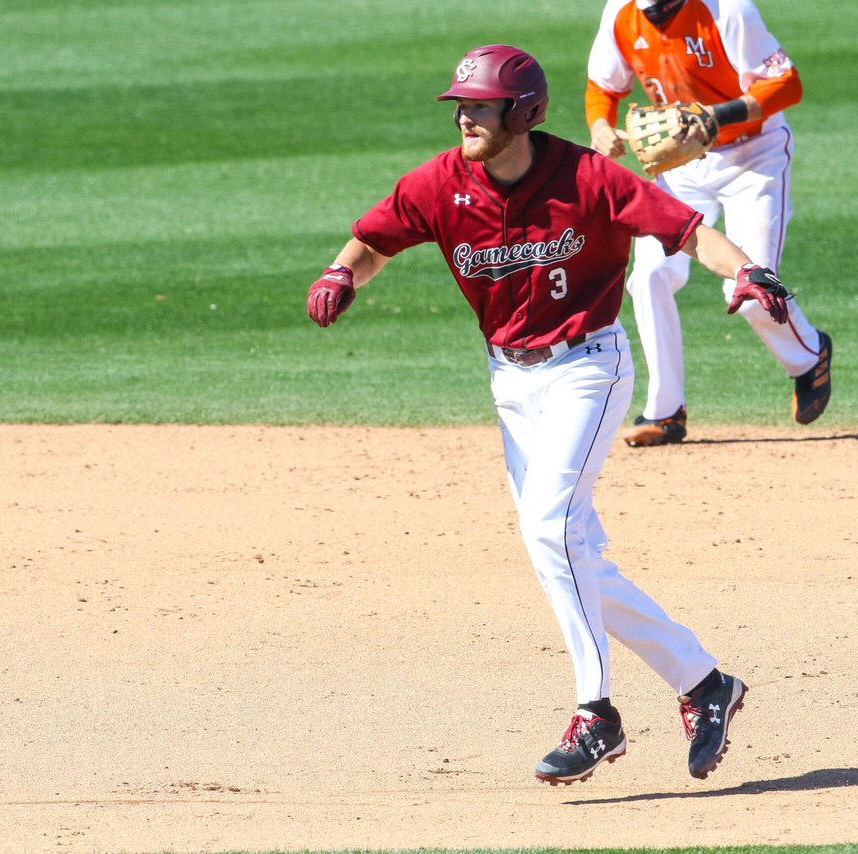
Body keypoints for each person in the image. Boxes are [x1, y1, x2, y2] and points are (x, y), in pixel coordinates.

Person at [305, 45, 781, 786]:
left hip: (589, 369)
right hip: (510, 383)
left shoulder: (589, 177)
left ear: (523, 112)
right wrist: (341, 273)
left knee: (549, 528)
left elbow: (687, 230)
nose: (465, 118)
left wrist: (746, 269)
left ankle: (597, 714)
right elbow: (373, 239)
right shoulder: (439, 185)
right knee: (570, 551)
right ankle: (704, 683)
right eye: (462, 106)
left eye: (480, 107)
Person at [586, 0, 833, 446]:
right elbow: (602, 86)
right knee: (650, 277)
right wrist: (599, 125)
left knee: (752, 291)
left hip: (752, 155)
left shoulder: (729, 10)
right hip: (679, 161)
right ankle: (665, 412)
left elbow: (786, 84)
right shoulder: (621, 12)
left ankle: (809, 356)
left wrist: (717, 115)